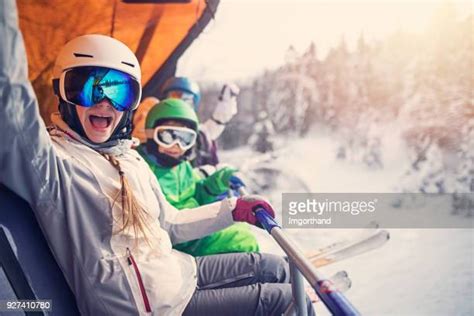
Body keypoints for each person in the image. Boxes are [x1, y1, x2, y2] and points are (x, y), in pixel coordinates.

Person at [0, 2, 315, 315]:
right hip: (154, 309)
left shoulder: (130, 159)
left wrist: (233, 210)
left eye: (120, 92)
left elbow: (171, 223)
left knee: (278, 269)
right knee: (287, 302)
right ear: (62, 91)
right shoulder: (53, 166)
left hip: (179, 273)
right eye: (89, 88)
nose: (105, 102)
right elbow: (10, 102)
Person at [136, 98, 259, 256]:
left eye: (185, 139)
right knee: (242, 239)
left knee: (242, 228)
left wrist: (219, 180)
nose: (176, 145)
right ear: (151, 133)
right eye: (168, 136)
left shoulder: (181, 166)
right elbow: (167, 224)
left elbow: (196, 193)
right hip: (180, 242)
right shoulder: (143, 169)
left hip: (194, 229)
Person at [160, 76, 240, 168]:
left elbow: (215, 124)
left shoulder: (201, 135)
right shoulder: (156, 129)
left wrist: (226, 105)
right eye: (175, 97)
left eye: (187, 99)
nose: (180, 104)